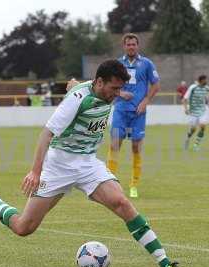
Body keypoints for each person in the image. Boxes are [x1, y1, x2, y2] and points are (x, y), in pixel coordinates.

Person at [0, 59, 190, 267]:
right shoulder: (77, 99)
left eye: (120, 89)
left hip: (88, 164)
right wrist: (35, 171)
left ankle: (165, 262)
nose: (116, 94)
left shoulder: (103, 90)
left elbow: (84, 85)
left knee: (122, 203)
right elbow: (46, 134)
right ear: (99, 82)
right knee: (24, 228)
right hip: (58, 166)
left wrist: (111, 91)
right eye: (114, 88)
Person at [66, 33, 161, 199]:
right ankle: (110, 181)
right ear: (124, 46)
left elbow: (156, 85)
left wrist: (145, 101)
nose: (131, 47)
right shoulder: (118, 64)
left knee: (136, 148)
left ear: (137, 46)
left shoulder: (146, 64)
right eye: (128, 44)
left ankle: (134, 185)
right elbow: (106, 85)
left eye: (134, 44)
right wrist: (121, 93)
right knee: (115, 145)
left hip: (138, 112)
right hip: (120, 111)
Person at [182, 75, 209, 151]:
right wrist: (186, 109)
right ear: (200, 80)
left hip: (202, 111)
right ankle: (187, 138)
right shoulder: (192, 88)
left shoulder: (206, 88)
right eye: (205, 80)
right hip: (193, 112)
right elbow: (184, 99)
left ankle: (196, 145)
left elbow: (206, 98)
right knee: (193, 129)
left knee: (203, 126)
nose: (206, 81)